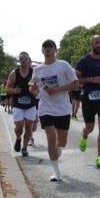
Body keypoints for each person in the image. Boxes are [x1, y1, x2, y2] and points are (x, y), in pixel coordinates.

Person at [30, 39, 78, 182]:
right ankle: (56, 172)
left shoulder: (63, 65)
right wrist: (32, 89)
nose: (48, 49)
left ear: (55, 50)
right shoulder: (38, 69)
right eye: (45, 47)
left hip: (62, 108)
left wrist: (56, 89)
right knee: (51, 137)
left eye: (51, 47)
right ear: (42, 50)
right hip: (45, 108)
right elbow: (32, 85)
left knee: (61, 142)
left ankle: (58, 150)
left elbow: (75, 84)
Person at [75, 35, 100, 169]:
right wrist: (90, 80)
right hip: (88, 96)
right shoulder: (84, 61)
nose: (98, 44)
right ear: (91, 44)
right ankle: (84, 135)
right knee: (90, 127)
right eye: (96, 42)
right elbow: (75, 80)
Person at [6, 52, 38, 157]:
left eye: (25, 59)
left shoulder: (34, 73)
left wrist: (35, 91)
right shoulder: (14, 73)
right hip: (18, 105)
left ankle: (24, 148)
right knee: (19, 127)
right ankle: (18, 138)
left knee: (29, 127)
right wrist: (14, 91)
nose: (23, 61)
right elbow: (7, 88)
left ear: (29, 60)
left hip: (31, 105)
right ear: (19, 61)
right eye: (21, 59)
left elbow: (39, 88)